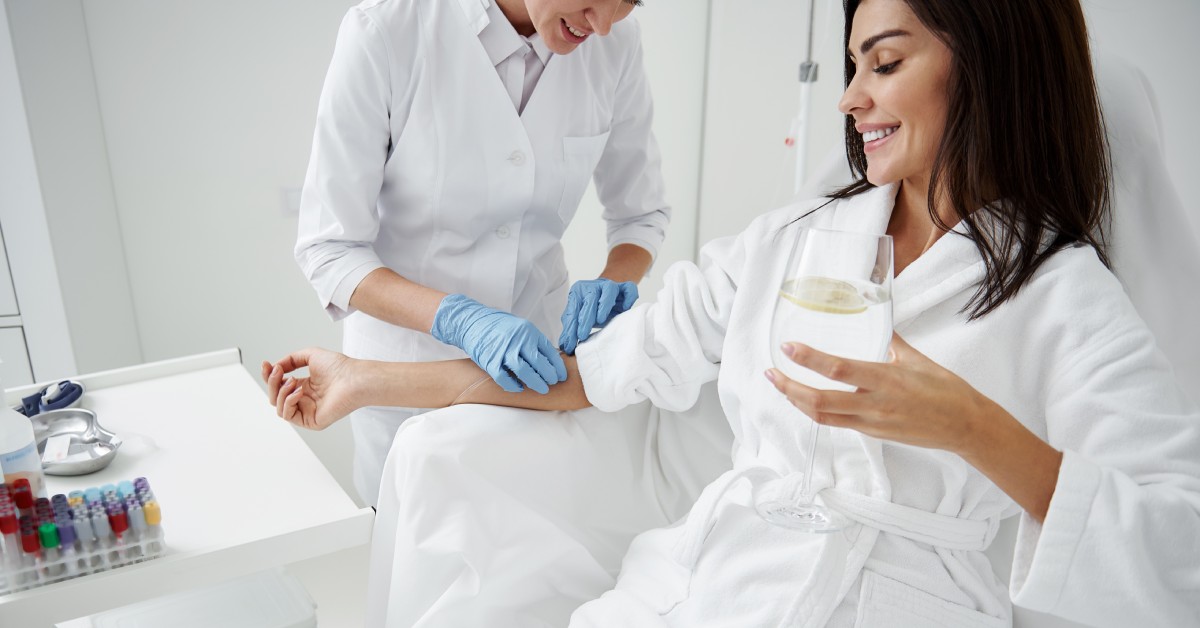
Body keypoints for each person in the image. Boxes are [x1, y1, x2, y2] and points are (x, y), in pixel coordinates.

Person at [267, 0, 1200, 626]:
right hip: (705, 574)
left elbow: (1178, 553)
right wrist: (369, 377)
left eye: (883, 62)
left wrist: (972, 427)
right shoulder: (800, 239)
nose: (850, 99)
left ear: (989, 66)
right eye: (851, 66)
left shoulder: (1064, 295)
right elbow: (602, 367)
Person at [291, 0, 671, 506]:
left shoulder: (614, 48)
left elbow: (640, 215)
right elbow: (330, 248)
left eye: (628, 3)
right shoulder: (385, 32)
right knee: (414, 560)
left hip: (535, 371)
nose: (601, 24)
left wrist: (616, 278)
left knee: (531, 547)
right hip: (403, 378)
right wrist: (459, 319)